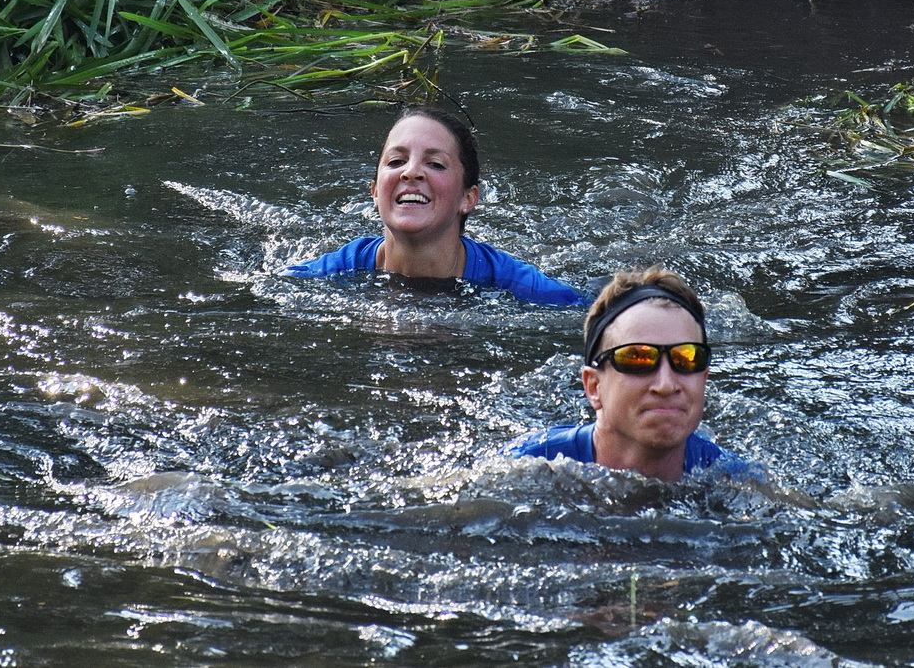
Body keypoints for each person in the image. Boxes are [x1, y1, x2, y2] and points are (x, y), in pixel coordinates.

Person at [284, 106, 585, 307]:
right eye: (396, 161)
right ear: (375, 192)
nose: (411, 172)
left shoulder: (516, 285)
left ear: (468, 198)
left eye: (436, 164)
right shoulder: (333, 274)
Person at [507, 267, 751, 480]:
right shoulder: (526, 469)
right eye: (637, 358)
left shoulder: (736, 481)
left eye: (686, 358)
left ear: (703, 379)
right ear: (594, 387)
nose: (666, 385)